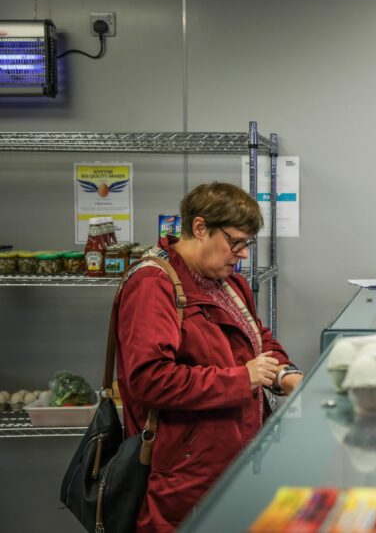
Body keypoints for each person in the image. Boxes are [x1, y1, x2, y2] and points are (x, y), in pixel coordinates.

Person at [115, 182, 303, 532]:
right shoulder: (153, 285)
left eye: (247, 243)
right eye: (236, 242)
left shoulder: (229, 283)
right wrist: (242, 379)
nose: (243, 254)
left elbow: (259, 341)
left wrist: (285, 375)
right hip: (184, 473)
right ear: (200, 228)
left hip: (234, 457)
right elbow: (149, 380)